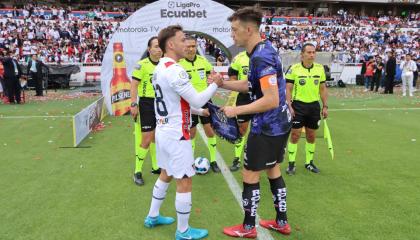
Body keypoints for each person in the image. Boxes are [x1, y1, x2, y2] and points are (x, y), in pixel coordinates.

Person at [144, 25, 223, 240]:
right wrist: (215, 84)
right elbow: (196, 98)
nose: (186, 44)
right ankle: (183, 231)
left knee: (166, 173)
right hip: (176, 134)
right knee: (185, 180)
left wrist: (199, 111)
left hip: (164, 130)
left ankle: (152, 216)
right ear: (170, 44)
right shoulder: (175, 69)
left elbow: (175, 101)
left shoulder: (160, 67)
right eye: (181, 40)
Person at [219, 7, 292, 238]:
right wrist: (223, 84)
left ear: (248, 30)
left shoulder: (261, 56)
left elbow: (271, 99)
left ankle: (248, 227)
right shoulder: (261, 50)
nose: (232, 34)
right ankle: (282, 222)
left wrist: (235, 110)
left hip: (267, 126)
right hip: (280, 123)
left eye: (235, 30)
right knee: (273, 168)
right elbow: (253, 86)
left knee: (250, 173)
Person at [285, 43, 328, 175]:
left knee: (311, 135)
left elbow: (322, 88)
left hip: (314, 107)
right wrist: (289, 105)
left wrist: (325, 106)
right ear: (302, 54)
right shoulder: (294, 69)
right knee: (295, 134)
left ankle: (309, 163)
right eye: (309, 52)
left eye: (313, 52)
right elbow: (288, 88)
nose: (312, 55)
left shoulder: (320, 69)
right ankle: (291, 164)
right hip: (298, 106)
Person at [179, 36, 221, 173]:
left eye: (193, 46)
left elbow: (213, 75)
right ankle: (189, 161)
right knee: (191, 133)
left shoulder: (203, 61)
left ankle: (213, 161)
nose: (191, 49)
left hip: (205, 101)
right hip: (188, 103)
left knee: (210, 131)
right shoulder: (179, 64)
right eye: (188, 46)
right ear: (183, 47)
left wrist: (212, 80)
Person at [130, 37, 162, 186]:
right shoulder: (141, 65)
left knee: (157, 137)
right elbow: (134, 85)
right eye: (155, 46)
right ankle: (137, 171)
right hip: (146, 104)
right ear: (149, 49)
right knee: (146, 139)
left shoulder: (165, 64)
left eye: (160, 46)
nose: (158, 49)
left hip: (161, 104)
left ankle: (156, 167)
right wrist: (133, 104)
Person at [227, 51, 252, 172]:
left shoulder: (263, 55)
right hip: (244, 97)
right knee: (242, 129)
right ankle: (237, 159)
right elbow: (232, 78)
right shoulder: (239, 58)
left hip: (261, 97)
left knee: (261, 129)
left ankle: (259, 159)